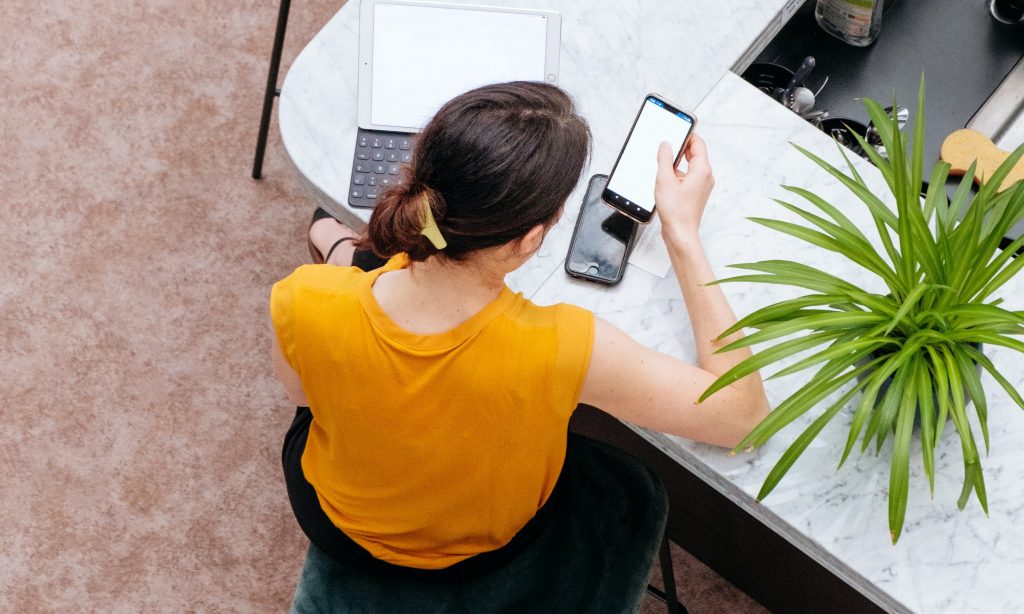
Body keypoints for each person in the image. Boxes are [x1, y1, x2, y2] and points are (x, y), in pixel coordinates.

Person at [271, 82, 769, 580]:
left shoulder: (301, 298)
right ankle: (343, 247)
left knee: (361, 270)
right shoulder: (564, 346)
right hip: (487, 547)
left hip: (335, 524)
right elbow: (743, 419)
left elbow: (305, 399)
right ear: (530, 238)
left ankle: (335, 244)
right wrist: (683, 233)